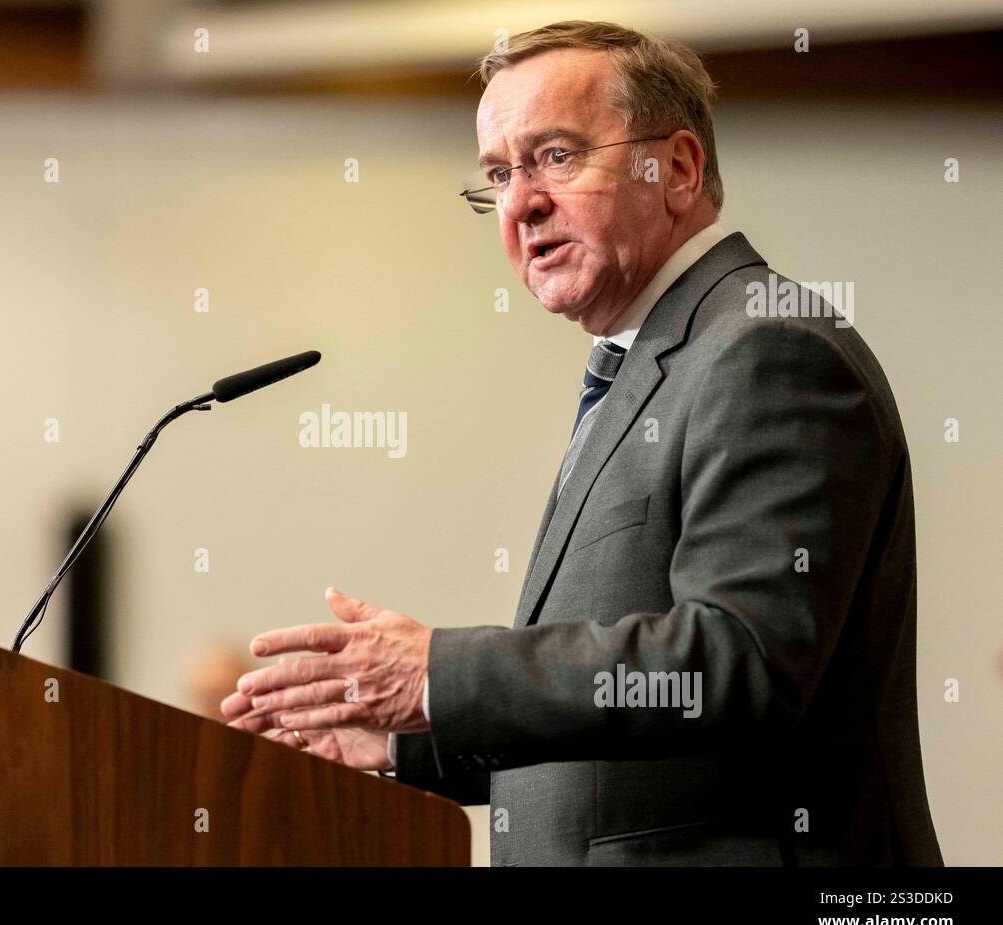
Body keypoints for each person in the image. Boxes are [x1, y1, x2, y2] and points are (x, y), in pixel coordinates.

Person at [221, 20, 941, 866]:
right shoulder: (658, 359)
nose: (520, 202)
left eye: (556, 156)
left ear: (676, 168)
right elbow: (623, 719)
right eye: (498, 173)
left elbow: (739, 660)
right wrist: (409, 739)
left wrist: (443, 676)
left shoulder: (765, 348)